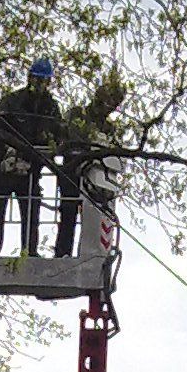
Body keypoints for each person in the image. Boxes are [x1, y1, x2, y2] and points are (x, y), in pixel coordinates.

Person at [0, 56, 62, 257]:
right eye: (37, 79)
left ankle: (30, 252)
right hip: (5, 167)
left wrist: (44, 147)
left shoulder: (51, 108)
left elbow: (59, 134)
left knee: (31, 213)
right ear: (29, 78)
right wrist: (8, 147)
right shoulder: (12, 101)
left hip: (31, 171)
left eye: (44, 80)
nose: (40, 84)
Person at [54, 73, 126, 257]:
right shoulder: (77, 114)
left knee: (93, 214)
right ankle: (63, 253)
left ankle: (89, 254)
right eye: (108, 101)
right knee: (68, 213)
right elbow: (68, 137)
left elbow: (115, 150)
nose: (109, 107)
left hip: (95, 176)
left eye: (114, 104)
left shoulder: (110, 128)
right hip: (72, 170)